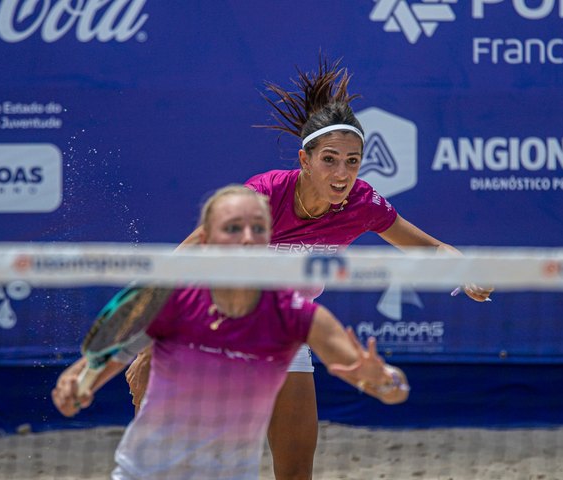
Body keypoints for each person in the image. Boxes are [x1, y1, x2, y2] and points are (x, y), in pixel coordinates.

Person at [126, 56, 493, 479]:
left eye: (353, 161)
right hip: (214, 326)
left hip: (285, 331)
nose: (342, 173)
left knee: (297, 471)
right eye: (330, 160)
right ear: (305, 159)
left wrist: (466, 270)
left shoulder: (362, 204)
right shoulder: (262, 195)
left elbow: (431, 247)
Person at [52, 185, 410, 480]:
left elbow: (390, 390)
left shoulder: (296, 316)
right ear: (206, 240)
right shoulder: (175, 302)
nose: (247, 239)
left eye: (258, 228)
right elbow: (99, 361)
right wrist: (76, 383)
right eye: (233, 228)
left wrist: (387, 380)